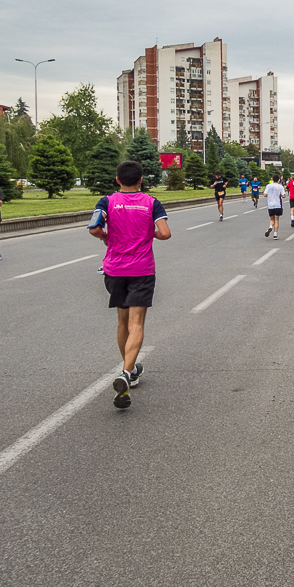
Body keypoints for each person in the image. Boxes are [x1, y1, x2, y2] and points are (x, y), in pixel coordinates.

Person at [87, 160, 171, 409]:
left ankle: (131, 370)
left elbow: (93, 228)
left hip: (114, 270)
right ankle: (125, 373)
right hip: (141, 270)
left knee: (122, 322)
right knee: (137, 324)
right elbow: (165, 233)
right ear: (141, 180)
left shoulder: (107, 201)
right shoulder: (151, 202)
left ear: (117, 180)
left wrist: (106, 236)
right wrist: (149, 233)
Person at [263, 174, 286, 239]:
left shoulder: (268, 186)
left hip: (270, 205)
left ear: (272, 179)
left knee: (272, 218)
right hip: (277, 204)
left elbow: (265, 194)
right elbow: (284, 196)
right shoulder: (280, 186)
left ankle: (270, 227)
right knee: (276, 220)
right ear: (278, 180)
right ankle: (275, 234)